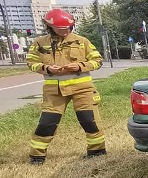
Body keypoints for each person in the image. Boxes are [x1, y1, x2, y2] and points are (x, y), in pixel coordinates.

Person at [26, 9, 106, 165]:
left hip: (82, 89)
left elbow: (98, 61)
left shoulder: (82, 41)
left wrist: (80, 66)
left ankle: (97, 151)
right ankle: (37, 156)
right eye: (60, 29)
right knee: (46, 123)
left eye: (68, 28)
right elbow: (31, 63)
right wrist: (46, 68)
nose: (65, 32)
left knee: (89, 120)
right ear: (50, 27)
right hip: (54, 92)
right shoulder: (39, 43)